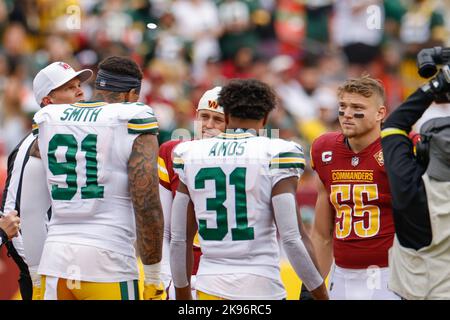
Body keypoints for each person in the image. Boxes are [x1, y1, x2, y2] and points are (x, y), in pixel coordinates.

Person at [170, 78, 328, 300]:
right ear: (264, 119)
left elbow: (179, 239)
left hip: (209, 285)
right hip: (261, 287)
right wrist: (321, 295)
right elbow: (292, 238)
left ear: (225, 116)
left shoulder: (190, 153)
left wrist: (183, 299)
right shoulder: (277, 152)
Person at [31, 56, 164, 300]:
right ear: (132, 94)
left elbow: (31, 199)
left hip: (56, 259)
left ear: (98, 87)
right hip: (107, 260)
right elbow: (146, 203)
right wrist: (154, 276)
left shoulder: (49, 117)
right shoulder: (131, 117)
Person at [0, 61, 92, 300]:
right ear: (48, 100)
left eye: (79, 85)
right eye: (70, 88)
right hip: (47, 272)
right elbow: (13, 215)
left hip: (79, 266)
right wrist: (36, 272)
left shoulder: (84, 136)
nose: (81, 92)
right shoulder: (32, 144)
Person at [309, 75, 398, 300]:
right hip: (342, 274)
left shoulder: (396, 151)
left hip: (390, 274)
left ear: (380, 113)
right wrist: (311, 285)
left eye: (357, 107)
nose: (347, 113)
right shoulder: (324, 149)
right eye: (343, 106)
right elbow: (321, 233)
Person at [381, 65, 450, 299]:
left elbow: (393, 125)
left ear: (422, 148)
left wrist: (436, 85)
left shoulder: (408, 188)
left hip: (413, 292)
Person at [158, 86, 226, 299]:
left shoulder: (245, 160)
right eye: (204, 116)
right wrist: (164, 273)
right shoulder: (173, 152)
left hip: (224, 273)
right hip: (183, 272)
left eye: (218, 119)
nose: (208, 125)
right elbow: (163, 227)